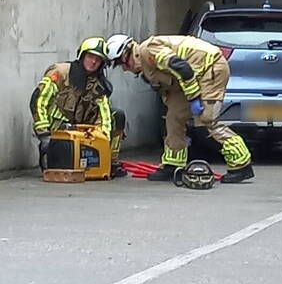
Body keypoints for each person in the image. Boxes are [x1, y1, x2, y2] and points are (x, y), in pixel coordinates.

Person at [105, 33, 254, 184]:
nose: (124, 69)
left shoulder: (148, 51)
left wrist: (194, 98)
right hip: (193, 77)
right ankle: (173, 164)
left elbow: (182, 68)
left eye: (122, 63)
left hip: (210, 68)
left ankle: (241, 164)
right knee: (174, 117)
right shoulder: (145, 64)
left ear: (127, 53)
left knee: (207, 121)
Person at [29, 37, 127, 176]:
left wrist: (102, 142)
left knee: (117, 115)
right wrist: (44, 134)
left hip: (82, 129)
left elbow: (104, 116)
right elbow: (38, 100)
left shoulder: (100, 86)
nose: (93, 62)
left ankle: (111, 162)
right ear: (82, 55)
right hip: (57, 128)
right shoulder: (61, 72)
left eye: (98, 60)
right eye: (90, 56)